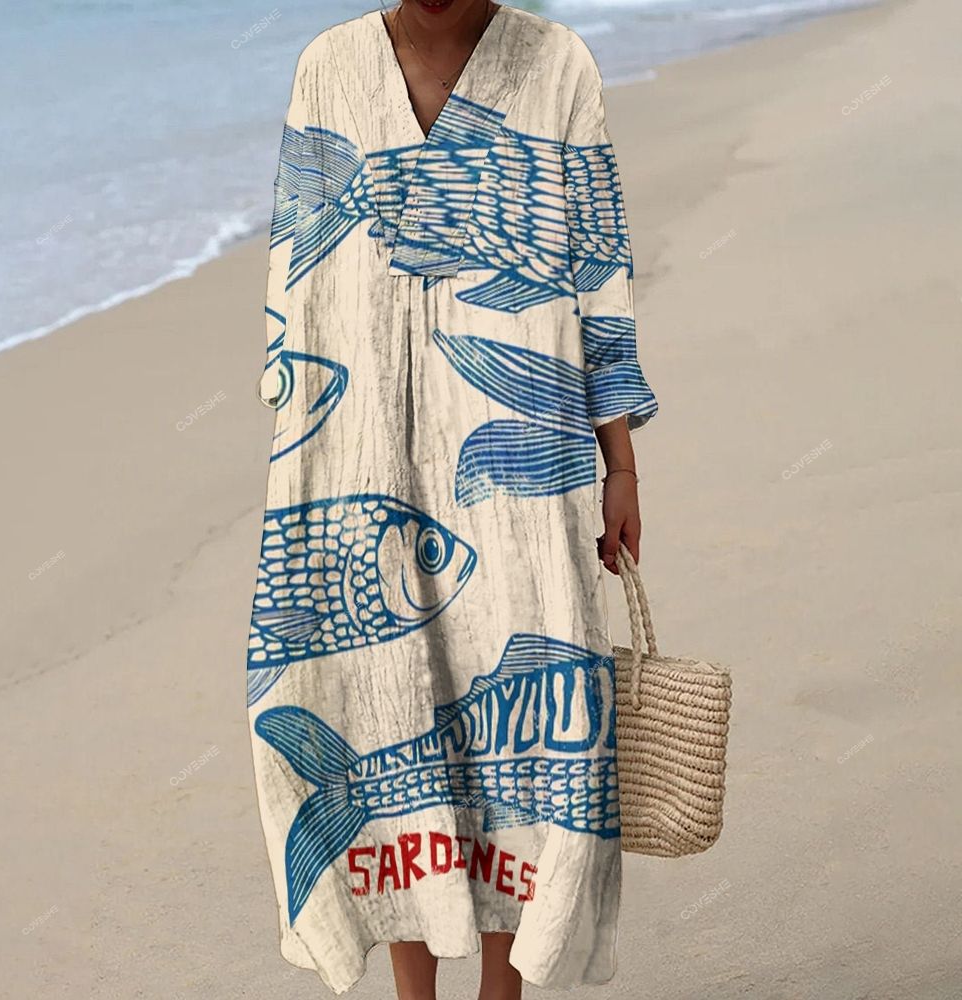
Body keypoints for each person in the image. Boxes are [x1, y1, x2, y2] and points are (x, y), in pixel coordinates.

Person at [246, 1, 658, 997]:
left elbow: (597, 273)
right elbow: (295, 282)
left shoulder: (557, 64)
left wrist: (621, 465)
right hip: (361, 465)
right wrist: (302, 457)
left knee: (527, 731)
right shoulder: (327, 69)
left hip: (522, 468)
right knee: (387, 701)